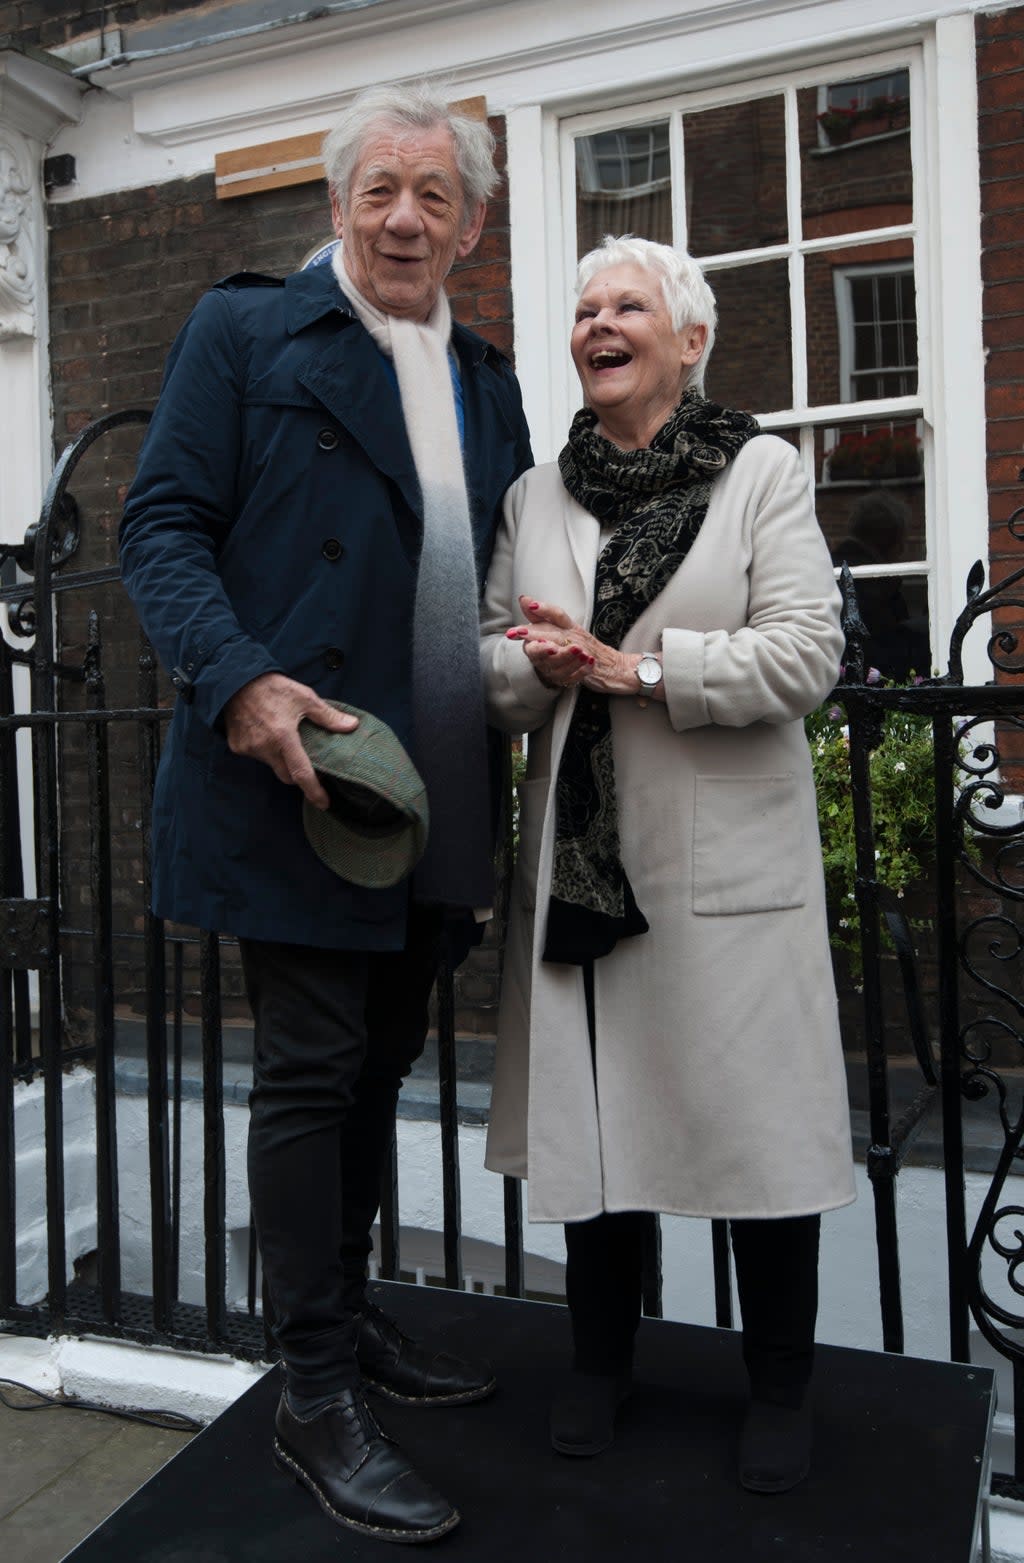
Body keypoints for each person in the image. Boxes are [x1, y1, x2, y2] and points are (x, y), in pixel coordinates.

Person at [120, 81, 532, 1544]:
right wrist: (237, 680)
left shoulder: (486, 377)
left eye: (435, 196)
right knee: (310, 1066)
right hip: (296, 775)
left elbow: (499, 563)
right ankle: (307, 1389)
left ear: (471, 225)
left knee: (382, 1065)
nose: (406, 217)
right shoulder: (244, 331)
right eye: (380, 190)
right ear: (338, 204)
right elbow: (158, 524)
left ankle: (346, 1320)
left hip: (432, 790)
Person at [480, 235, 855, 1494]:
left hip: (726, 869)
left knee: (753, 1135)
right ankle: (599, 1364)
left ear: (687, 342)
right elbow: (491, 657)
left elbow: (805, 656)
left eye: (626, 304)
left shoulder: (758, 475)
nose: (598, 322)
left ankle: (782, 1387)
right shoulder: (538, 497)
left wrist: (634, 669)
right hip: (582, 868)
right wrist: (527, 670)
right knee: (597, 1124)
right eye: (584, 308)